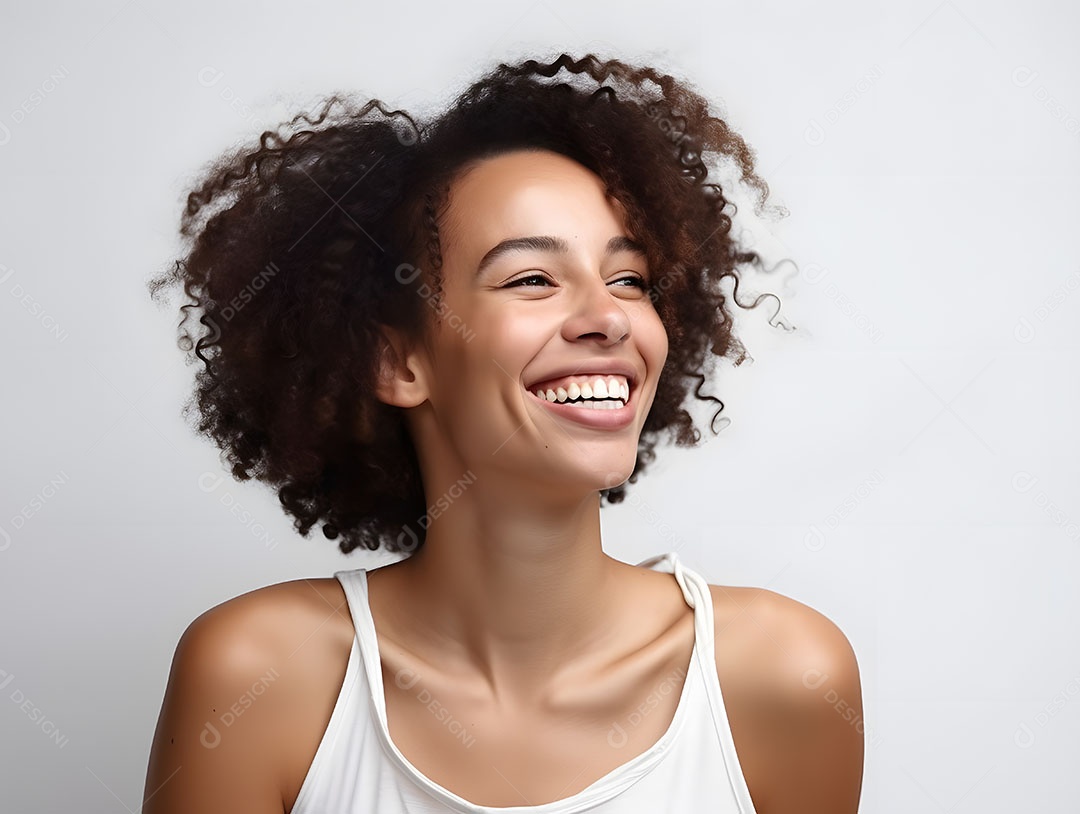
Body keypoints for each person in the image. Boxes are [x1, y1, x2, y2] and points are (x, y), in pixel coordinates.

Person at [143, 52, 864, 813]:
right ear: (396, 359)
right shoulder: (261, 677)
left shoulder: (784, 677)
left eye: (629, 279)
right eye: (532, 280)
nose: (610, 317)